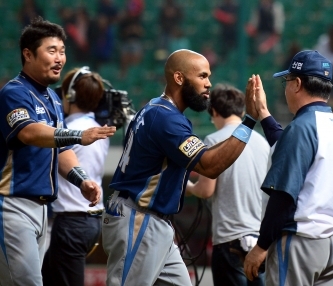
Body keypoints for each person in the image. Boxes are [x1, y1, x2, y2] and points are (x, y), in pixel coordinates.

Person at [102, 49, 261, 286]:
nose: (209, 84)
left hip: (153, 221)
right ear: (179, 78)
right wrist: (249, 121)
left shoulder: (154, 109)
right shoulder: (166, 119)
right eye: (202, 76)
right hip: (139, 219)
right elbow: (210, 165)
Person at [0, 17, 116, 286]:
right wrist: (78, 135)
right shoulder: (13, 93)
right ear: (28, 54)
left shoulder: (53, 97)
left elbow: (61, 150)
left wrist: (80, 180)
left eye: (62, 51)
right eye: (51, 50)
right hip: (12, 204)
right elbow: (29, 132)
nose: (59, 58)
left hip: (43, 211)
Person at [243, 50, 333, 285]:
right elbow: (290, 147)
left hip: (302, 242)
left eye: (287, 80)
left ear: (298, 84)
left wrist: (261, 246)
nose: (286, 87)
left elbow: (283, 196)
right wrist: (263, 113)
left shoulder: (302, 128)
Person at [187, 84, 270, 285]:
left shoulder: (214, 139)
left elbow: (206, 190)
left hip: (230, 240)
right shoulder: (262, 141)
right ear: (242, 111)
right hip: (261, 242)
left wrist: (186, 186)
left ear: (214, 111)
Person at [41, 67, 109, 286]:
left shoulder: (66, 129)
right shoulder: (98, 129)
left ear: (69, 96)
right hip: (91, 221)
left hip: (70, 221)